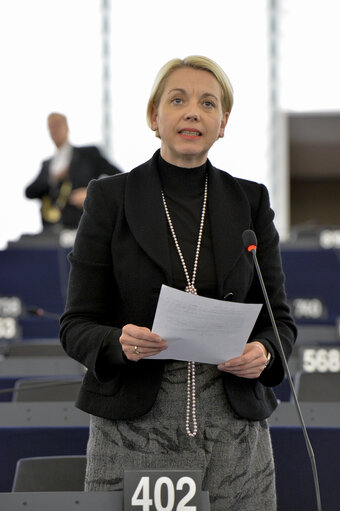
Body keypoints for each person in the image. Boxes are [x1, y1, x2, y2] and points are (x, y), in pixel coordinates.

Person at [60, 55, 296, 510]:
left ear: (223, 122)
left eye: (208, 103)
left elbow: (280, 323)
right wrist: (117, 342)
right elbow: (76, 325)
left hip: (236, 441)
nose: (193, 111)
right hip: (133, 434)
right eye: (178, 99)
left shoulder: (251, 201)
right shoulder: (110, 198)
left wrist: (264, 352)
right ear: (155, 116)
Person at [25, 112, 121, 230]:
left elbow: (119, 177)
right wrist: (53, 178)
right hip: (52, 231)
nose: (54, 130)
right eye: (51, 126)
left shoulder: (88, 154)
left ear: (66, 127)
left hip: (84, 228)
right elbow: (29, 192)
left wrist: (93, 194)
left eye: (58, 125)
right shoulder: (47, 165)